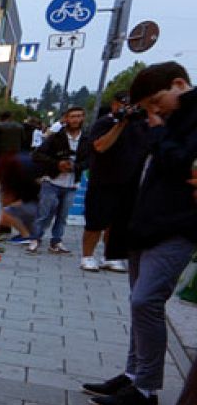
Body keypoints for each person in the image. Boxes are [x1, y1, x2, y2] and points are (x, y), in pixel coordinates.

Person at [85, 62, 197, 405]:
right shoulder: (167, 120)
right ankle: (134, 373)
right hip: (144, 221)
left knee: (146, 301)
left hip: (175, 224)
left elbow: (181, 164)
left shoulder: (187, 119)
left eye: (155, 101)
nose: (154, 110)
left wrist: (157, 128)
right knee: (138, 298)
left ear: (179, 84)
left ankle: (146, 387)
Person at [80, 93, 143, 272]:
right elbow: (100, 146)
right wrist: (120, 123)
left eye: (133, 105)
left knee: (119, 223)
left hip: (129, 181)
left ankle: (111, 256)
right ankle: (87, 256)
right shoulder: (105, 123)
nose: (129, 108)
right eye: (125, 104)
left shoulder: (139, 125)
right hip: (103, 180)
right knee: (95, 221)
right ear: (115, 104)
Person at [28, 106, 87, 254]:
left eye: (79, 116)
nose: (75, 120)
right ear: (66, 119)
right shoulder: (56, 137)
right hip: (52, 181)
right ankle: (35, 238)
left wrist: (76, 167)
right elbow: (37, 155)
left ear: (83, 118)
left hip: (72, 183)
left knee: (63, 216)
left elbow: (90, 160)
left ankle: (56, 241)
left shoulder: (86, 139)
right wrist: (57, 164)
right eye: (72, 116)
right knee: (44, 213)